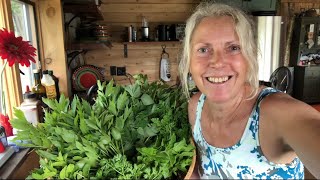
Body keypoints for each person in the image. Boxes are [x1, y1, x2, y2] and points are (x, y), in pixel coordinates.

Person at [179, 2, 320, 179]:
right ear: (189, 61)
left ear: (249, 57)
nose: (217, 62)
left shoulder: (276, 112)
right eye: (203, 49)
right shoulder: (195, 107)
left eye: (233, 48)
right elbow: (200, 171)